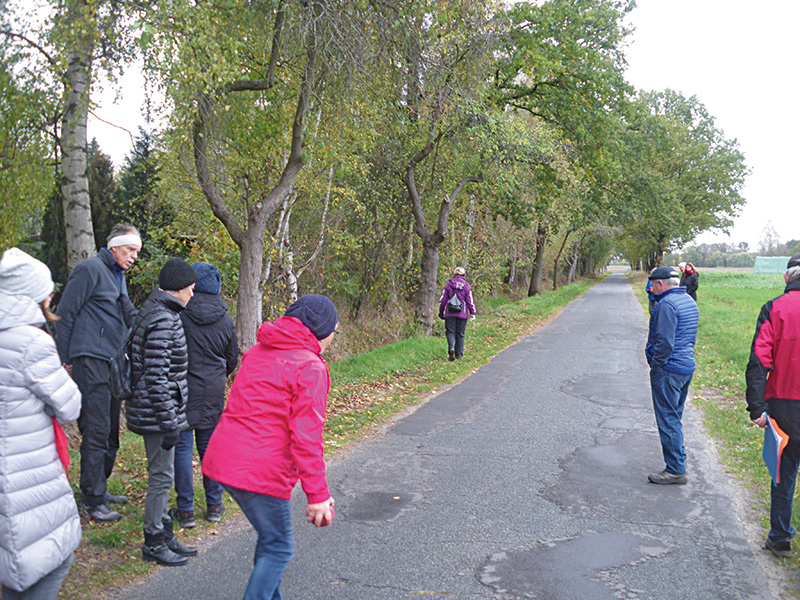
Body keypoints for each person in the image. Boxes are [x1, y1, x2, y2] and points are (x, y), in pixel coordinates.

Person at [202, 294, 337, 600]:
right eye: (333, 330)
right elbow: (307, 437)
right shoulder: (311, 367)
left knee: (270, 539)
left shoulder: (258, 352)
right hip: (260, 471)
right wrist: (318, 495)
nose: (333, 337)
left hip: (223, 459)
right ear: (322, 330)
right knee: (279, 547)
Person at [0, 248, 82, 599]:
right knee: (46, 562)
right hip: (26, 472)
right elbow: (70, 405)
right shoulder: (32, 342)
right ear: (36, 296)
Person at [56, 223, 141, 522]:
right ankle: (92, 501)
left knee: (110, 432)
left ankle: (99, 489)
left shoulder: (119, 276)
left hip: (113, 361)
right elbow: (64, 315)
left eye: (137, 252)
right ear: (115, 246)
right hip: (89, 359)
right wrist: (66, 359)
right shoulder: (90, 269)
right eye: (130, 250)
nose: (134, 257)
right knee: (95, 429)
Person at [127, 258, 198, 566]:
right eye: (191, 290)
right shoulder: (164, 319)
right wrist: (169, 422)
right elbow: (156, 375)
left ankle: (165, 532)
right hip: (157, 414)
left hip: (156, 410)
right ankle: (154, 541)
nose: (193, 295)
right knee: (160, 477)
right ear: (178, 289)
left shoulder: (156, 311)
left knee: (163, 475)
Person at [171, 262, 238, 528]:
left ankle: (185, 510)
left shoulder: (178, 314)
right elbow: (232, 358)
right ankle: (214, 505)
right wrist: (218, 374)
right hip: (212, 391)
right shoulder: (225, 318)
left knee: (182, 450)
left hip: (183, 390)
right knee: (211, 450)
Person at [745, 252, 800, 558]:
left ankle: (780, 538)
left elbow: (758, 361)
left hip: (785, 408)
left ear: (786, 278)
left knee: (784, 474)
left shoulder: (775, 308)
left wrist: (757, 406)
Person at [645, 265, 699, 485]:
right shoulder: (689, 301)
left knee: (667, 418)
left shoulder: (666, 304)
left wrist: (656, 365)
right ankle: (679, 459)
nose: (651, 290)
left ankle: (676, 469)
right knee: (674, 417)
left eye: (652, 285)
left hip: (669, 370)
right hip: (686, 367)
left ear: (660, 284)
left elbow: (665, 342)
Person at [437, 266, 476, 361]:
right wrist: (472, 313)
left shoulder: (449, 284)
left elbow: (443, 299)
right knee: (460, 334)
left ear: (454, 274)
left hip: (450, 313)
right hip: (462, 314)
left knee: (450, 332)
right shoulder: (466, 285)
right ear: (464, 275)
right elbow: (469, 300)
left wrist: (441, 311)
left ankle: (451, 348)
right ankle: (459, 355)